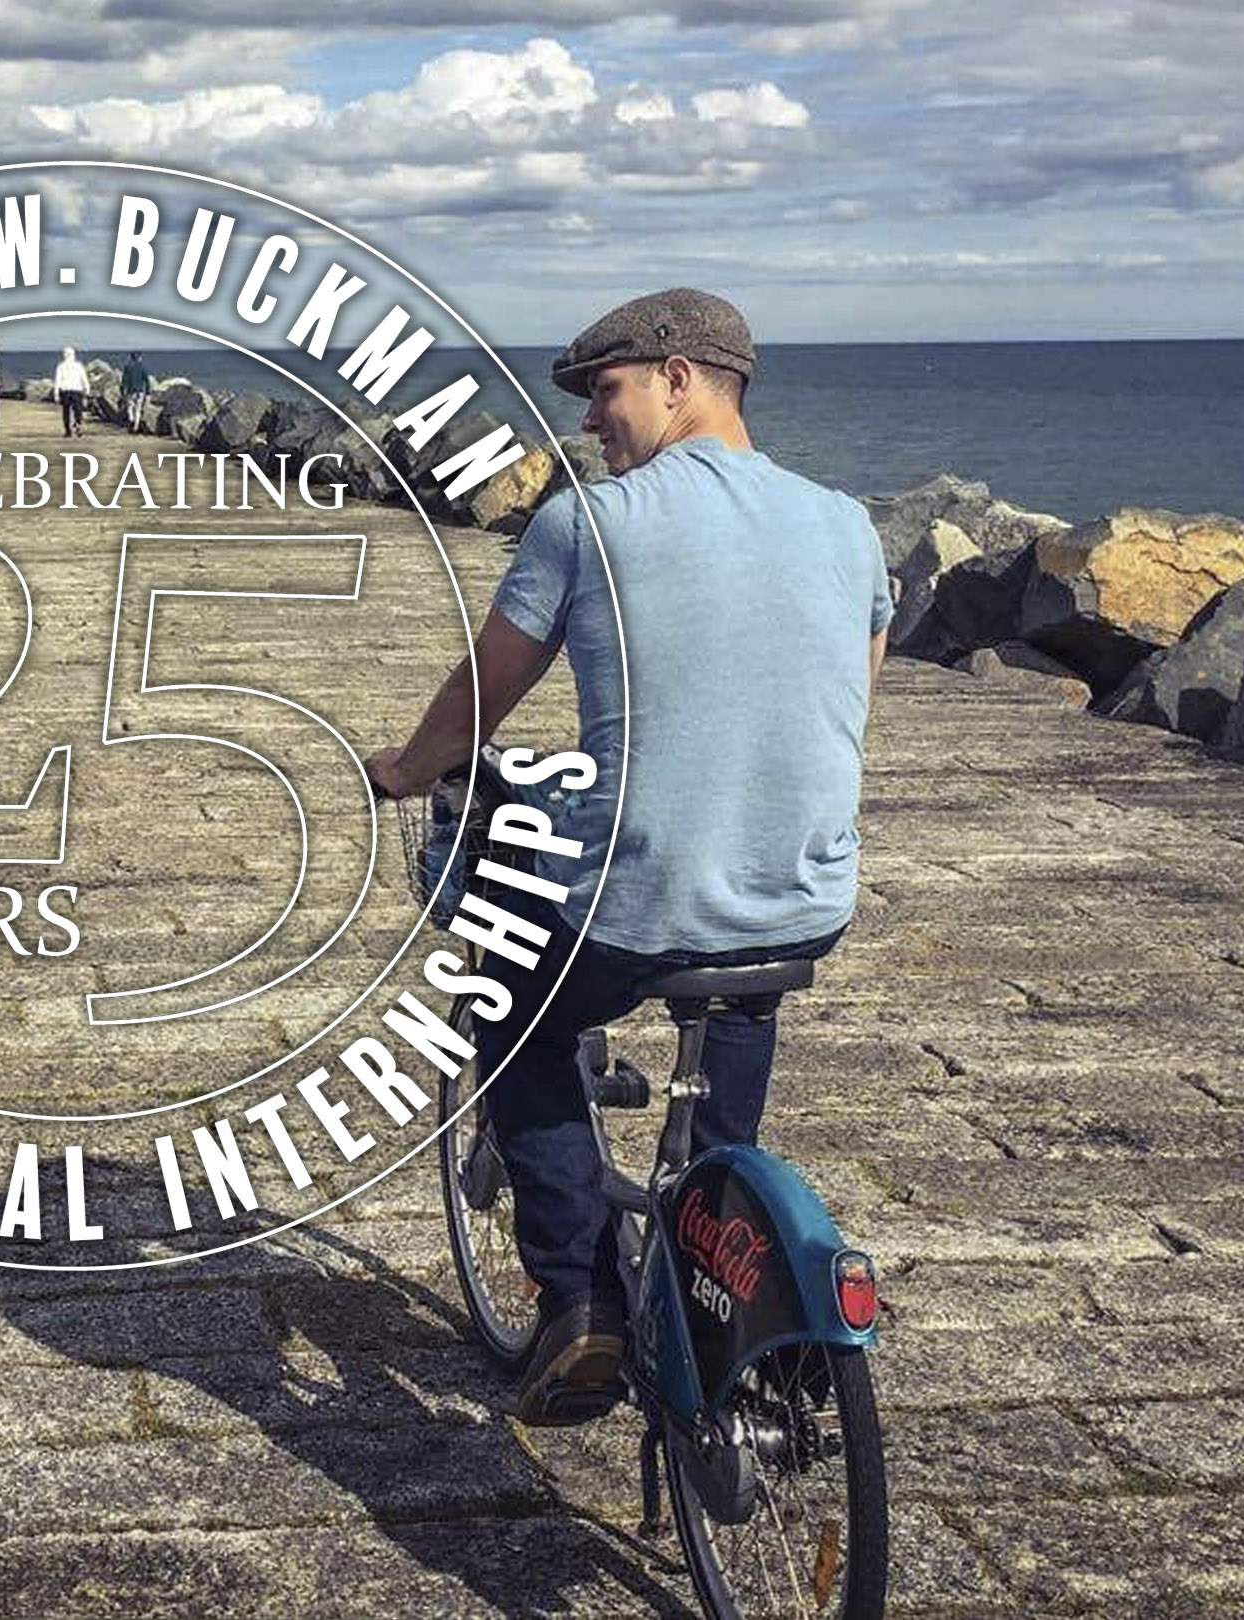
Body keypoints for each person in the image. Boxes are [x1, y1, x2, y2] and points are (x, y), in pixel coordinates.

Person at [363, 289, 890, 1424]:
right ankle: (718, 1249)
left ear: (679, 376)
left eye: (604, 392)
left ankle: (581, 1305)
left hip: (645, 903)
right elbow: (843, 707)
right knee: (737, 999)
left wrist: (407, 770)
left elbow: (485, 693)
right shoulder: (849, 523)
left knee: (505, 991)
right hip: (805, 899)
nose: (592, 423)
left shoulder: (587, 524)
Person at [52, 344, 88, 436]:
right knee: (78, 411)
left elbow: (57, 381)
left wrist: (56, 394)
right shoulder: (78, 365)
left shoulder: (61, 366)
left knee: (66, 412)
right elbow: (84, 378)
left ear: (64, 355)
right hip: (77, 391)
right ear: (74, 354)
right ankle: (78, 426)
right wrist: (87, 389)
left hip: (65, 391)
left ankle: (68, 431)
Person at [121, 351, 156, 433]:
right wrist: (148, 392)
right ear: (139, 357)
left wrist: (122, 390)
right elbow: (147, 380)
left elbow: (124, 380)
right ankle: (136, 427)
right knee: (138, 409)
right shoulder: (142, 367)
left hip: (130, 391)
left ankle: (131, 419)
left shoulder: (127, 367)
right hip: (140, 391)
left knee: (130, 408)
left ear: (131, 357)